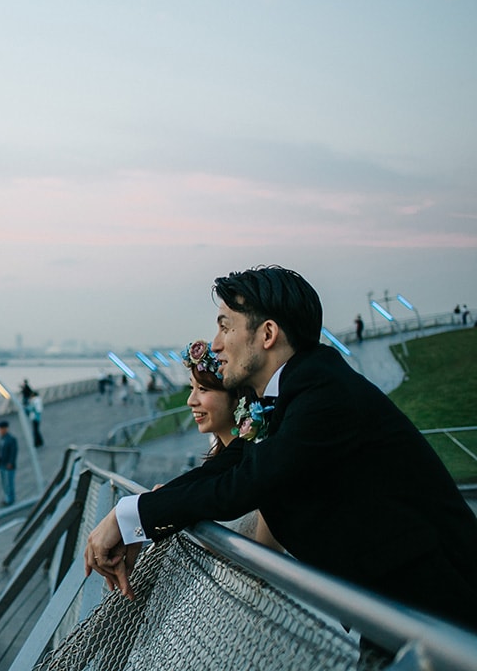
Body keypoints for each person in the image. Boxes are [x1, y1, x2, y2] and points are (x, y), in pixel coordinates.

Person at [85, 265, 477, 634]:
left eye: (226, 327)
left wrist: (131, 516)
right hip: (400, 612)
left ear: (268, 334)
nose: (217, 345)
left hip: (446, 612)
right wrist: (131, 516)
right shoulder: (294, 391)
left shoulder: (324, 394)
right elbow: (228, 465)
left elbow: (247, 483)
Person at [180, 338, 281, 551]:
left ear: (237, 398)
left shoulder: (257, 467)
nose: (191, 400)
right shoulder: (220, 467)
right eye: (192, 388)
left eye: (204, 389)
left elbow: (263, 562)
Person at [0, 420, 18, 505]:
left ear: (5, 429)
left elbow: (13, 452)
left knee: (9, 483)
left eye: (1, 429)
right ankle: (7, 497)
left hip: (8, 465)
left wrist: (10, 463)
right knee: (4, 483)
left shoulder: (11, 439)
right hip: (1, 464)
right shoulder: (1, 439)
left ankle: (10, 499)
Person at [21, 379, 44, 447]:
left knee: (35, 430)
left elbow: (31, 408)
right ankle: (40, 441)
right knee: (36, 430)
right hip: (38, 417)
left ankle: (37, 442)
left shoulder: (34, 401)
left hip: (35, 417)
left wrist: (25, 408)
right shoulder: (38, 400)